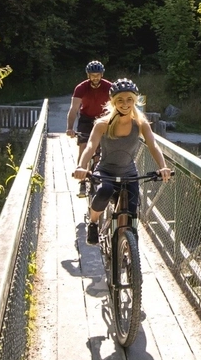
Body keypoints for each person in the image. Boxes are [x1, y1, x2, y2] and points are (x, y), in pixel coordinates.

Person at [72, 78, 172, 246]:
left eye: (129, 100)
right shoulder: (102, 124)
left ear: (135, 101)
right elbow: (90, 146)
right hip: (106, 171)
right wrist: (81, 166)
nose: (125, 104)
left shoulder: (141, 124)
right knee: (104, 191)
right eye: (120, 100)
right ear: (113, 102)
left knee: (133, 208)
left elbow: (153, 146)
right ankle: (93, 222)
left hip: (129, 172)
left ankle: (129, 246)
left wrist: (163, 167)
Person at [66, 60, 111, 197]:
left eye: (98, 75)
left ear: (102, 74)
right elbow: (74, 109)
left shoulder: (109, 87)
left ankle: (96, 176)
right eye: (93, 75)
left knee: (100, 150)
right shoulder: (81, 88)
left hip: (103, 119)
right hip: (86, 119)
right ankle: (82, 180)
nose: (95, 78)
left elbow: (116, 106)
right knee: (84, 147)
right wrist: (70, 128)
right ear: (88, 75)